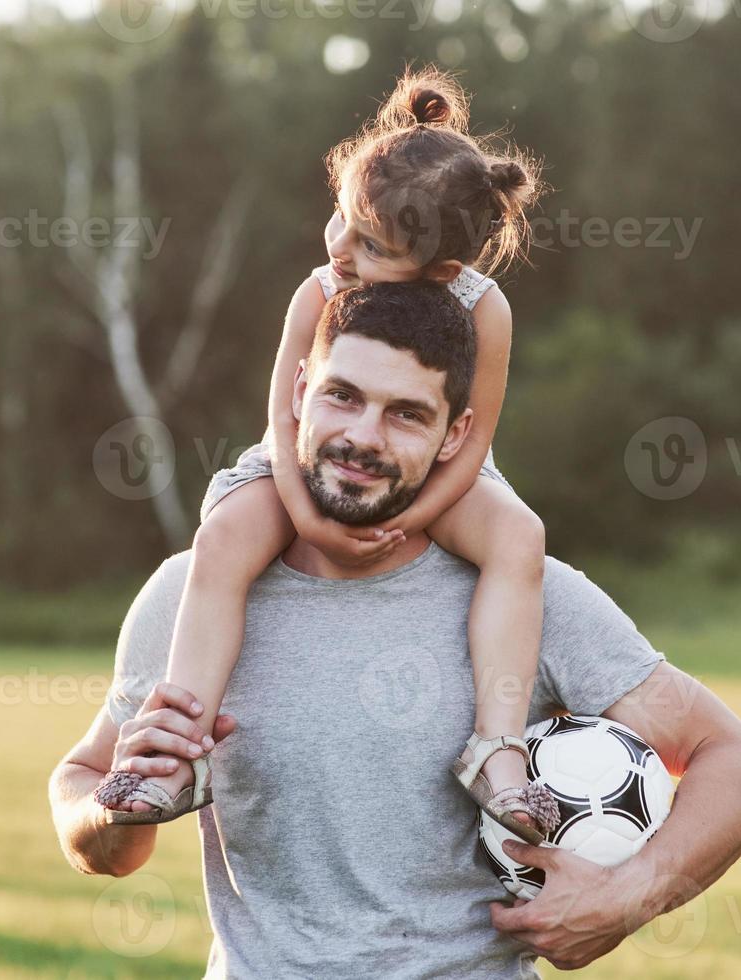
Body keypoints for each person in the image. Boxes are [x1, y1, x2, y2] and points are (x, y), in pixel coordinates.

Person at [50, 281, 741, 979]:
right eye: (342, 396)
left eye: (405, 413)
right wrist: (111, 812)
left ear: (453, 434)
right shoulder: (196, 593)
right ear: (299, 391)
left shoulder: (528, 597)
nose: (361, 437)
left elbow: (737, 767)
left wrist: (629, 896)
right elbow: (91, 808)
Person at [91, 66, 557, 841]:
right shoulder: (320, 289)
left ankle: (497, 751)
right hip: (300, 460)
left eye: (368, 243)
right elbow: (284, 417)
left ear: (439, 271)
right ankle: (175, 750)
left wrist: (414, 518)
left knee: (520, 538)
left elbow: (472, 438)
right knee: (223, 537)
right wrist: (307, 516)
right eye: (340, 217)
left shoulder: (483, 307)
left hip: (433, 468)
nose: (338, 245)